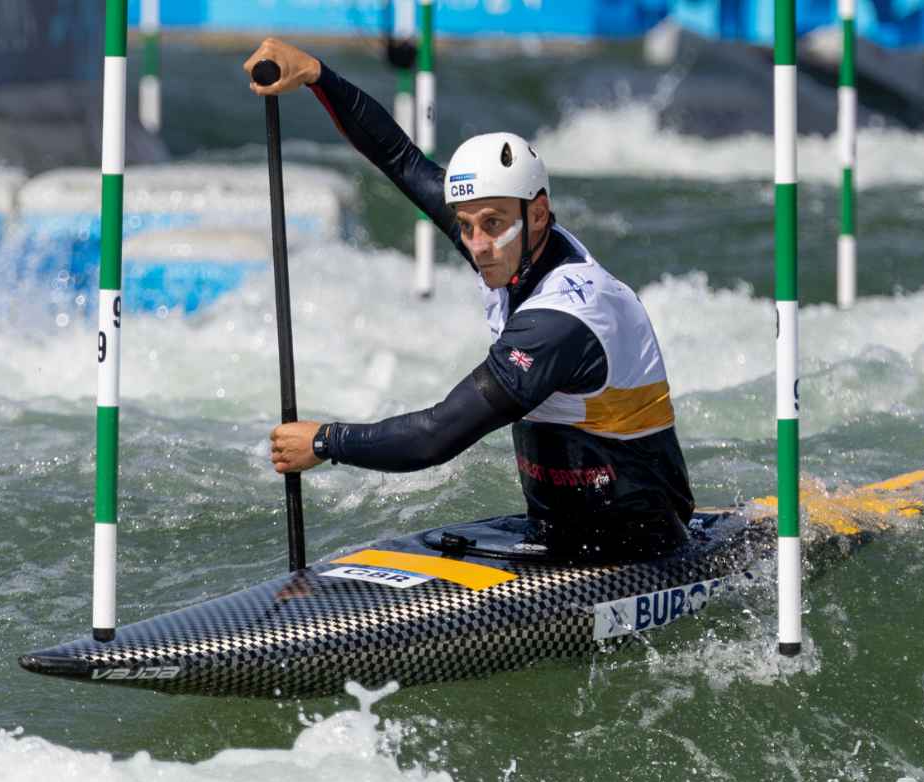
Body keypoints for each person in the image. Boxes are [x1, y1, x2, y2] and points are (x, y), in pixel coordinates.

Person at [247, 39, 694, 559]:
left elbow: (436, 437)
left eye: (492, 225)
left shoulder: (562, 320)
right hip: (559, 533)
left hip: (637, 548)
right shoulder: (510, 242)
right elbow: (399, 157)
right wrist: (318, 76)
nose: (476, 244)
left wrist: (324, 441)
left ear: (539, 214)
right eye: (465, 226)